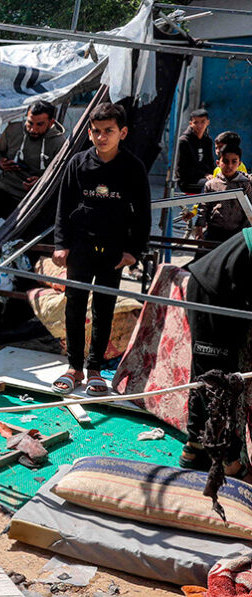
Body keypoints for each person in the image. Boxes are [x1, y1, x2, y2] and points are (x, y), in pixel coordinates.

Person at [52, 102, 151, 396]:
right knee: (74, 306)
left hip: (113, 251)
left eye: (109, 131)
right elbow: (63, 207)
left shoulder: (133, 168)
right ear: (89, 133)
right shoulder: (78, 163)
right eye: (96, 131)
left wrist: (133, 251)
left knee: (104, 308)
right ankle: (74, 368)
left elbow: (142, 214)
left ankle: (94, 368)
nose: (101, 137)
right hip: (80, 248)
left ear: (123, 133)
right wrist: (61, 245)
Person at [179, 231, 252, 475]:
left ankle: (195, 446)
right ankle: (228, 459)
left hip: (226, 293)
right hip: (212, 292)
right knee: (215, 378)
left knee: (208, 373)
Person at [0, 100, 67, 247]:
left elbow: (62, 175)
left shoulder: (59, 142)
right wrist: (0, 162)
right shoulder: (13, 130)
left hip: (34, 201)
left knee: (31, 240)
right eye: (30, 123)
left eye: (39, 125)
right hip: (7, 192)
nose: (33, 129)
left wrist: (41, 182)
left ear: (51, 123)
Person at [198, 145, 252, 242]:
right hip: (215, 231)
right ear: (218, 163)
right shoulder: (211, 184)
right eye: (225, 161)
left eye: (234, 161)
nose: (229, 166)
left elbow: (250, 208)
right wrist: (199, 229)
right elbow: (203, 208)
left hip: (238, 233)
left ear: (239, 163)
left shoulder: (244, 184)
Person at [176, 108, 214, 194]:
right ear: (190, 123)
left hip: (205, 177)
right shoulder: (184, 141)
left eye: (202, 122)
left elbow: (210, 162)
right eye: (196, 122)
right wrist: (204, 174)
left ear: (208, 122)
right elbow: (183, 169)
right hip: (188, 181)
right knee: (211, 185)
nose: (199, 126)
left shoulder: (207, 140)